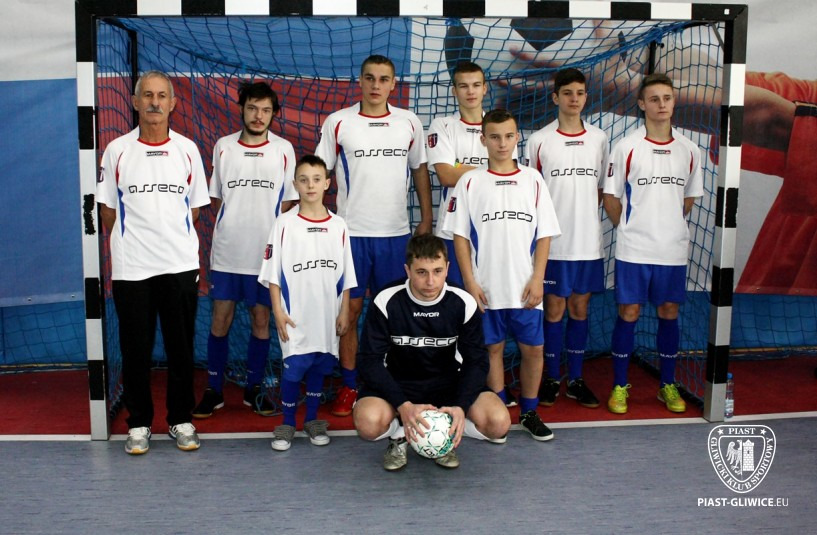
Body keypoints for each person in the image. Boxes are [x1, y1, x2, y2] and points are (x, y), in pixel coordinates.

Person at [96, 70, 210, 454]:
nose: (155, 102)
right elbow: (107, 210)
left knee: (180, 349)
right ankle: (139, 424)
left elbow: (195, 209)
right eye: (147, 95)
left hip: (179, 266)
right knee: (135, 351)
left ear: (173, 103)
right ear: (134, 102)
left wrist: (168, 238)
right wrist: (136, 242)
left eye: (162, 96)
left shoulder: (188, 150)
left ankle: (181, 420)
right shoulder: (117, 151)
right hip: (132, 269)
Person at [315, 54, 434, 417]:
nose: (376, 85)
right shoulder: (339, 122)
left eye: (383, 79)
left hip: (395, 236)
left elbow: (419, 170)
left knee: (395, 316)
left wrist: (426, 217)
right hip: (351, 236)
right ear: (360, 81)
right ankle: (350, 384)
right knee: (349, 312)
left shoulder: (408, 122)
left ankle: (392, 384)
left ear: (393, 84)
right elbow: (319, 174)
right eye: (370, 78)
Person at [445, 109, 561, 441]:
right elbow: (460, 237)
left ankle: (529, 411)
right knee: (492, 349)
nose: (502, 143)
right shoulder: (470, 182)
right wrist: (470, 282)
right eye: (494, 137)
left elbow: (544, 234)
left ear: (517, 138)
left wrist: (538, 278)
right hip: (487, 288)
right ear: (483, 140)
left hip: (525, 287)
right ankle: (499, 409)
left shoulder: (533, 180)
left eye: (509, 136)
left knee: (533, 350)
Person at [353, 234, 510, 471]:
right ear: (407, 270)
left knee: (498, 423)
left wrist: (461, 406)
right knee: (368, 423)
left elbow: (476, 361)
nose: (430, 281)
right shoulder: (387, 300)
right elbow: (369, 361)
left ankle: (444, 433)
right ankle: (399, 434)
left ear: (447, 268)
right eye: (421, 272)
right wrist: (402, 405)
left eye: (437, 271)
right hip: (399, 384)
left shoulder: (463, 302)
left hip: (448, 384)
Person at [192, 81, 298, 420]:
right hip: (228, 252)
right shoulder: (223, 147)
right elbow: (217, 199)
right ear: (242, 108)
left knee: (261, 319)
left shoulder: (284, 150)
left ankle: (254, 389)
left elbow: (289, 202)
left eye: (265, 110)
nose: (258, 116)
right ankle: (214, 390)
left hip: (265, 255)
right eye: (252, 108)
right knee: (220, 318)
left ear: (274, 114)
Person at [602, 73, 703, 414]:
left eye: (667, 98)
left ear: (674, 102)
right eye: (654, 99)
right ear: (642, 104)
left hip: (672, 250)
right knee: (629, 312)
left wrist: (667, 225)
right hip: (634, 250)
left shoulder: (689, 150)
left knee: (669, 311)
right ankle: (619, 386)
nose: (662, 104)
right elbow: (610, 197)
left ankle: (667, 385)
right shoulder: (627, 147)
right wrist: (631, 228)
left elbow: (688, 200)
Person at [427, 61, 520, 407]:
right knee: (453, 312)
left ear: (485, 88)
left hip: (495, 235)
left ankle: (486, 385)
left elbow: (510, 173)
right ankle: (451, 381)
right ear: (455, 91)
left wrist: (469, 167)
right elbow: (446, 174)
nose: (470, 91)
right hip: (454, 234)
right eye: (463, 85)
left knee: (486, 313)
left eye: (476, 85)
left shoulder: (499, 126)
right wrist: (491, 167)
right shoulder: (443, 126)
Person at [258, 155, 357, 451]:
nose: (310, 185)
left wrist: (343, 311)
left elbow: (346, 276)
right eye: (304, 180)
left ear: (327, 183)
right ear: (295, 184)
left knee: (319, 367)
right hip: (294, 315)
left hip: (327, 315)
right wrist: (277, 311)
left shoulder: (339, 225)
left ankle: (312, 419)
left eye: (316, 179)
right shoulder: (284, 224)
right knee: (294, 369)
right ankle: (288, 422)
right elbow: (273, 274)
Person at [524, 68, 609, 410]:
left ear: (586, 97)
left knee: (579, 307)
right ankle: (550, 378)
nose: (574, 99)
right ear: (555, 97)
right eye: (568, 93)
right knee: (554, 308)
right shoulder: (539, 140)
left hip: (587, 243)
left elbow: (601, 190)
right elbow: (530, 193)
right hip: (554, 245)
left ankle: (575, 379)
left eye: (580, 93)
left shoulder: (599, 139)